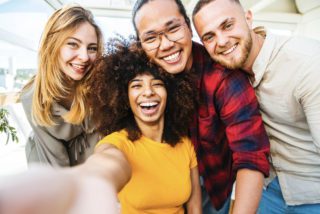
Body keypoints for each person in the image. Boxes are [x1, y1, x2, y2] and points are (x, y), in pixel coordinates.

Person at [0, 37, 201, 214]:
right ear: (123, 97)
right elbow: (107, 165)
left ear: (172, 93)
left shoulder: (185, 145)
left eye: (157, 84)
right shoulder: (117, 143)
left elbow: (193, 208)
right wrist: (81, 181)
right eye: (136, 85)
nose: (148, 92)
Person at [132, 0, 270, 213]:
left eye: (173, 28)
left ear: (189, 27)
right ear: (140, 44)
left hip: (214, 187)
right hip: (160, 188)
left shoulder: (223, 78)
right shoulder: (137, 78)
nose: (166, 44)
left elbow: (250, 155)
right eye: (151, 37)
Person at [192, 0, 320, 213]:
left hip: (313, 193)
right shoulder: (224, 74)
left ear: (248, 18)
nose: (222, 41)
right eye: (209, 36)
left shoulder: (308, 64)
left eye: (227, 25)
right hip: (266, 189)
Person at [20, 5, 104, 166]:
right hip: (48, 159)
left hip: (95, 158)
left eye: (92, 48)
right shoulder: (33, 96)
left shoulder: (101, 85)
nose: (84, 57)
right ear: (53, 45)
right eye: (73, 44)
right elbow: (55, 162)